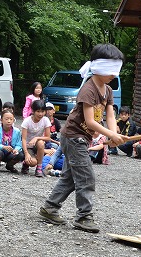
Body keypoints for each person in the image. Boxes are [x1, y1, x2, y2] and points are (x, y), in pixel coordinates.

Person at [41, 44, 127, 233]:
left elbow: (110, 116)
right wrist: (110, 134)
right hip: (73, 137)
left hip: (81, 137)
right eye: (111, 70)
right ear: (99, 67)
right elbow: (90, 121)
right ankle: (84, 216)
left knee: (70, 178)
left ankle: (49, 208)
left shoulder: (108, 90)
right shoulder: (88, 89)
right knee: (86, 177)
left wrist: (114, 134)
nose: (114, 75)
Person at [22, 99, 52, 177]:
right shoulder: (27, 121)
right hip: (28, 146)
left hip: (38, 145)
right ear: (33, 111)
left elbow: (48, 137)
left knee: (41, 142)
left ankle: (39, 167)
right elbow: (23, 139)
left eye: (42, 111)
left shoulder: (45, 120)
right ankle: (25, 163)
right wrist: (26, 154)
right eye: (38, 111)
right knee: (32, 163)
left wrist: (37, 138)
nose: (40, 114)